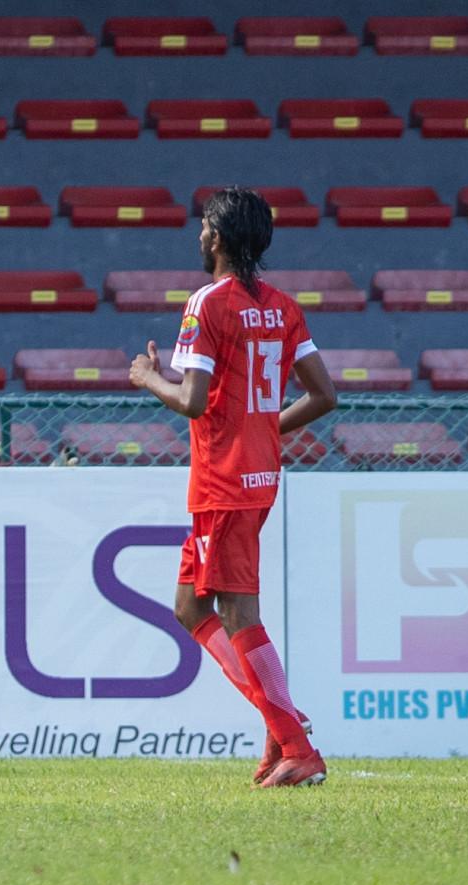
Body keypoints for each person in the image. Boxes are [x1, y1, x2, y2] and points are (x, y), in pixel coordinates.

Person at [129, 186, 338, 788]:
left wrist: (148, 378)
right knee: (189, 605)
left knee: (236, 609)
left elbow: (193, 404)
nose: (199, 236)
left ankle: (294, 741)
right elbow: (323, 395)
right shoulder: (282, 305)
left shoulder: (206, 302)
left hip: (222, 479)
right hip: (258, 472)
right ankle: (281, 730)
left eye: (203, 228)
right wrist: (261, 425)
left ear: (217, 239)